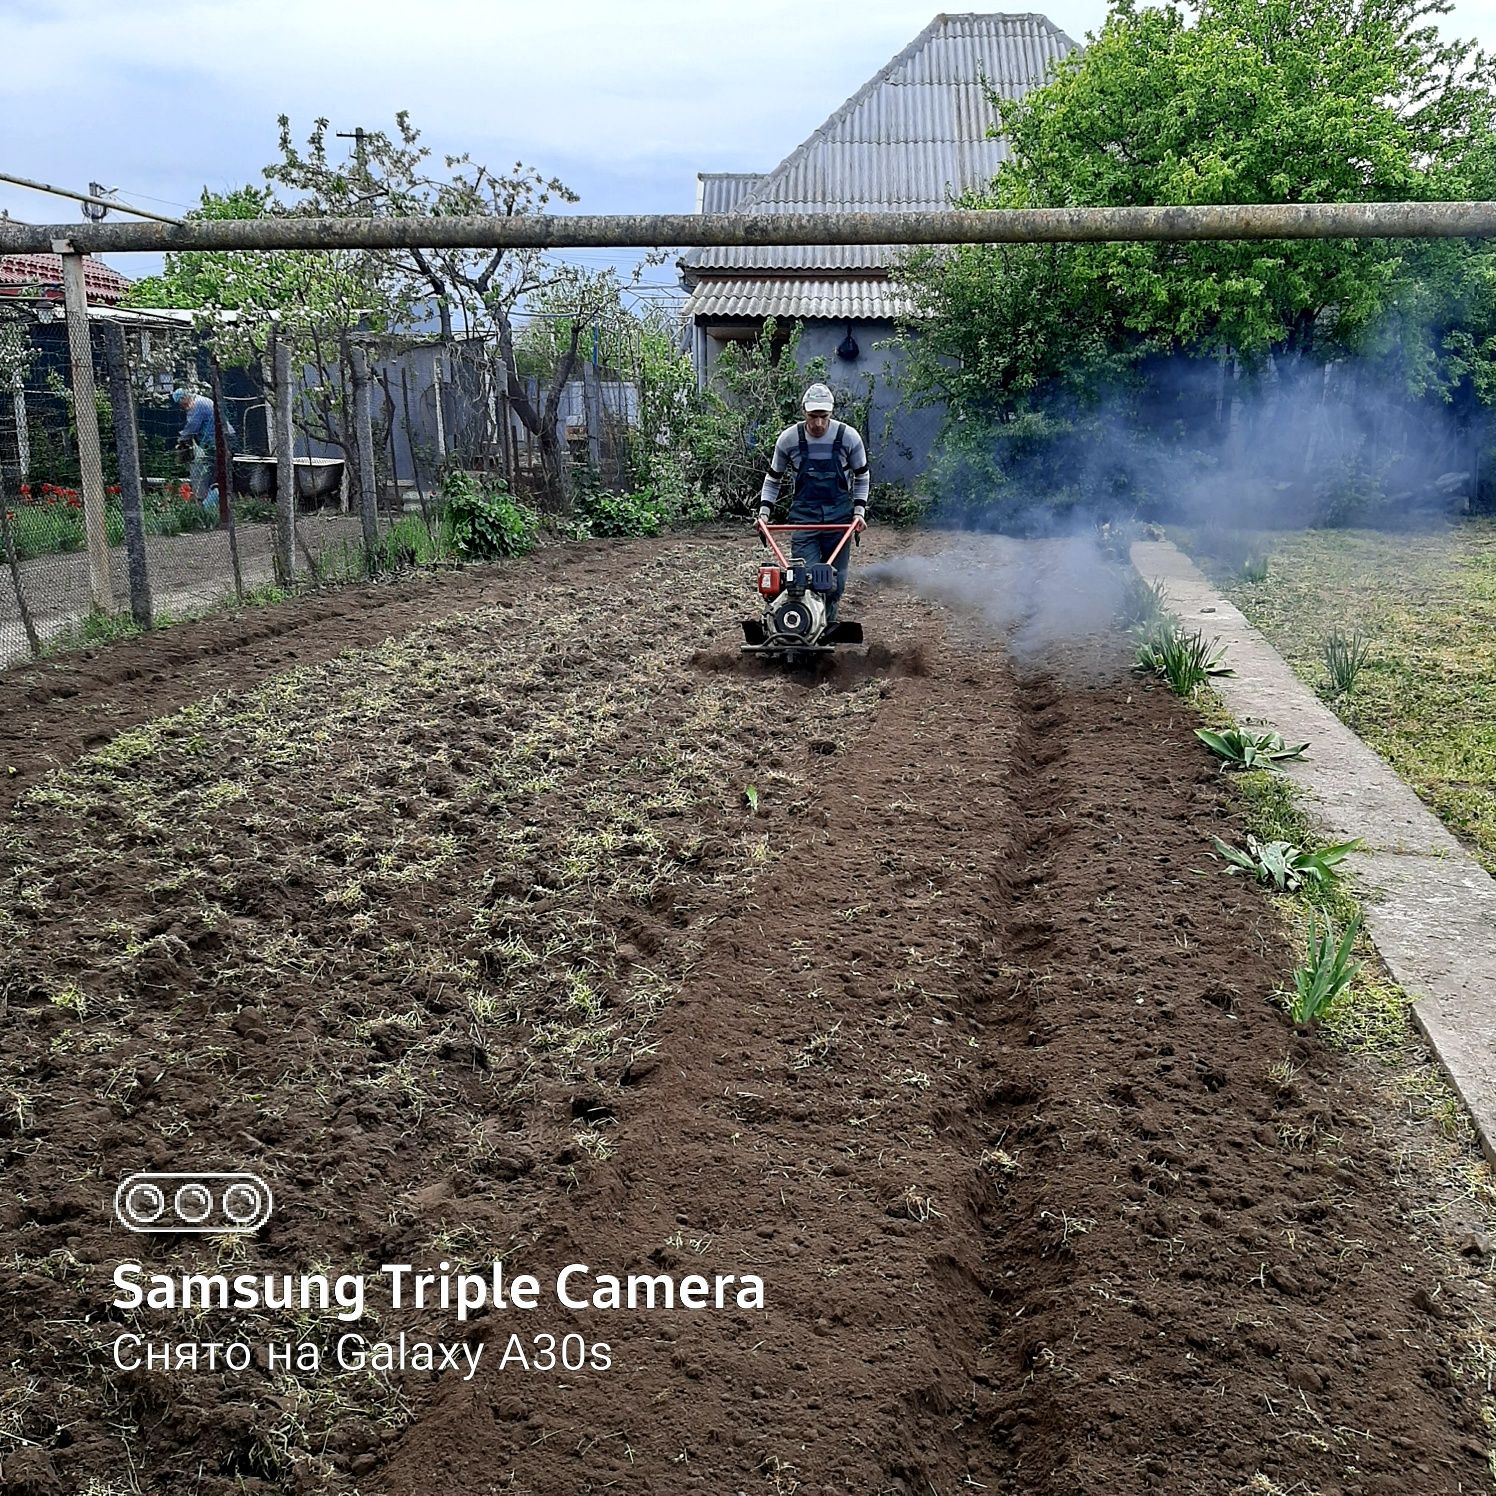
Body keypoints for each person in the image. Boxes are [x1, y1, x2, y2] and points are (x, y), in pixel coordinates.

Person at [757, 383, 870, 623]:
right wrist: (764, 513)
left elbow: (862, 475)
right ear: (803, 412)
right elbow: (773, 478)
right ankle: (803, 627)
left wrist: (859, 512)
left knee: (833, 584)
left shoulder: (848, 437)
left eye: (823, 416)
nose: (818, 423)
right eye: (813, 416)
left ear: (831, 413)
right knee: (804, 578)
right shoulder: (789, 439)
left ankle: (825, 632)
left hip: (839, 521)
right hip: (805, 519)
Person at [171, 388, 235, 507]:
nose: (182, 407)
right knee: (220, 472)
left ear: (184, 398)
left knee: (214, 473)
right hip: (221, 438)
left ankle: (210, 505)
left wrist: (182, 440)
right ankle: (219, 502)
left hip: (220, 441)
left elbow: (192, 427)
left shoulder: (198, 406)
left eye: (181, 403)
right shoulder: (201, 401)